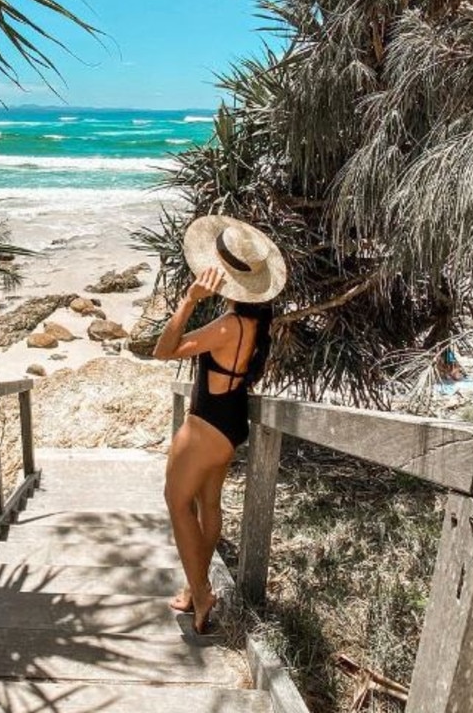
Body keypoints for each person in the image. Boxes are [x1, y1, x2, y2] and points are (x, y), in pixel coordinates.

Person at [153, 214, 287, 635]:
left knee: (177, 502)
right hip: (231, 427)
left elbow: (163, 350)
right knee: (208, 505)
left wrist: (190, 300)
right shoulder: (255, 323)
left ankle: (202, 591)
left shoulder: (229, 325)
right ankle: (196, 593)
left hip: (206, 425)